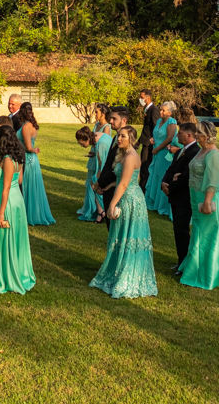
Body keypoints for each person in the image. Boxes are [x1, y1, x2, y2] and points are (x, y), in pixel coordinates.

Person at [90, 126, 157, 298]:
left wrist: (111, 205)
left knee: (130, 238)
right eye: (118, 135)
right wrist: (106, 187)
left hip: (130, 200)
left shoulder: (131, 157)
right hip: (124, 196)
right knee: (120, 237)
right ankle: (116, 271)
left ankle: (129, 276)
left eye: (123, 136)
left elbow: (125, 184)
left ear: (131, 139)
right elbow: (120, 180)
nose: (119, 139)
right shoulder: (123, 155)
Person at [178, 123, 219, 292]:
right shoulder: (201, 150)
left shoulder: (213, 154)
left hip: (210, 199)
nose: (196, 135)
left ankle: (213, 273)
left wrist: (207, 201)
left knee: (213, 234)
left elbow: (213, 181)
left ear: (206, 136)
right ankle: (196, 268)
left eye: (198, 133)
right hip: (197, 197)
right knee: (200, 233)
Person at [0, 125, 36, 294]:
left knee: (6, 236)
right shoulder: (18, 157)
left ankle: (7, 276)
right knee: (15, 238)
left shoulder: (8, 160)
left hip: (8, 202)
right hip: (17, 198)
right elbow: (18, 181)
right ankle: (14, 268)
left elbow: (5, 188)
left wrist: (1, 214)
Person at [162, 121, 201, 272]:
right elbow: (172, 169)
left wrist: (171, 187)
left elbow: (186, 176)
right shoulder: (179, 151)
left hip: (184, 197)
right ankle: (181, 260)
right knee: (178, 230)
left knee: (182, 230)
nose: (177, 135)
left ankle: (184, 263)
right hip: (175, 195)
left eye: (180, 133)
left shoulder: (195, 152)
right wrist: (164, 182)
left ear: (189, 135)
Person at [16, 102, 55, 226]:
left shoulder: (26, 126)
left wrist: (34, 149)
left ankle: (29, 214)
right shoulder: (32, 125)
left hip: (28, 159)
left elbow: (28, 147)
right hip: (32, 159)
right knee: (32, 187)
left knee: (28, 186)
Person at [93, 107, 128, 227]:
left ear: (124, 120)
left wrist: (104, 185)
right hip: (106, 188)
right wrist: (99, 183)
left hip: (115, 188)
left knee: (115, 225)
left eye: (114, 118)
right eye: (111, 118)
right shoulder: (115, 138)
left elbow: (117, 168)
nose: (111, 121)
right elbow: (108, 163)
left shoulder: (125, 142)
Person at [144, 100, 177, 216]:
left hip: (164, 154)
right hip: (156, 152)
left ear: (170, 112)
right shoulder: (158, 121)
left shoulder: (171, 122)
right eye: (161, 109)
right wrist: (153, 140)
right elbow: (157, 134)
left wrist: (158, 149)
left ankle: (162, 205)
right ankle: (153, 202)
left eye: (164, 110)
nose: (161, 112)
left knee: (162, 177)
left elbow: (169, 138)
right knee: (155, 175)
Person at [75, 127, 100, 221]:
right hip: (92, 165)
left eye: (80, 142)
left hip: (96, 168)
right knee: (89, 187)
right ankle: (89, 209)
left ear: (86, 139)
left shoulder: (99, 142)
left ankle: (94, 211)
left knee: (92, 186)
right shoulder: (94, 143)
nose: (79, 144)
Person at [137, 89, 158, 192]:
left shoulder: (154, 110)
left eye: (142, 97)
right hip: (144, 141)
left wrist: (153, 138)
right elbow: (146, 127)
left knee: (145, 166)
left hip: (149, 144)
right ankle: (142, 187)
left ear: (147, 97)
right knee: (143, 166)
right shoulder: (147, 109)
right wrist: (138, 141)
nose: (140, 99)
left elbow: (155, 125)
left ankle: (144, 189)